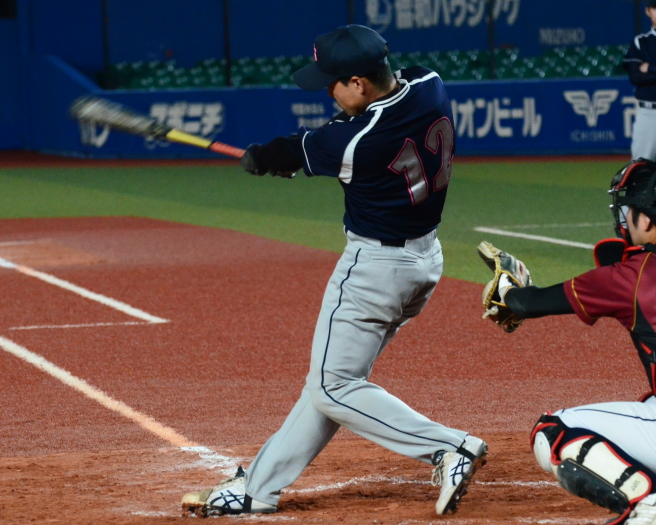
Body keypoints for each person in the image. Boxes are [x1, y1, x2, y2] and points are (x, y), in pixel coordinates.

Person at [181, 24, 487, 517]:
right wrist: (288, 155)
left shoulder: (353, 142)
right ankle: (258, 488)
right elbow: (335, 133)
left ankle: (449, 446)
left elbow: (300, 148)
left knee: (333, 386)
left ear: (359, 83)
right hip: (424, 261)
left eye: (334, 83)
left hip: (375, 271)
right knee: (332, 382)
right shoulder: (429, 84)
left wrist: (262, 158)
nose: (328, 92)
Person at [478, 158, 656, 525]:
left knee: (553, 430)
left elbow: (528, 304)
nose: (624, 219)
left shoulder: (631, 277)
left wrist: (507, 287)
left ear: (648, 220)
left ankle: (647, 506)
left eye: (629, 210)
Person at [624, 0, 656, 161]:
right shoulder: (640, 42)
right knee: (641, 167)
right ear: (648, 11)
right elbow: (636, 77)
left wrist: (650, 67)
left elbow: (643, 75)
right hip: (649, 114)